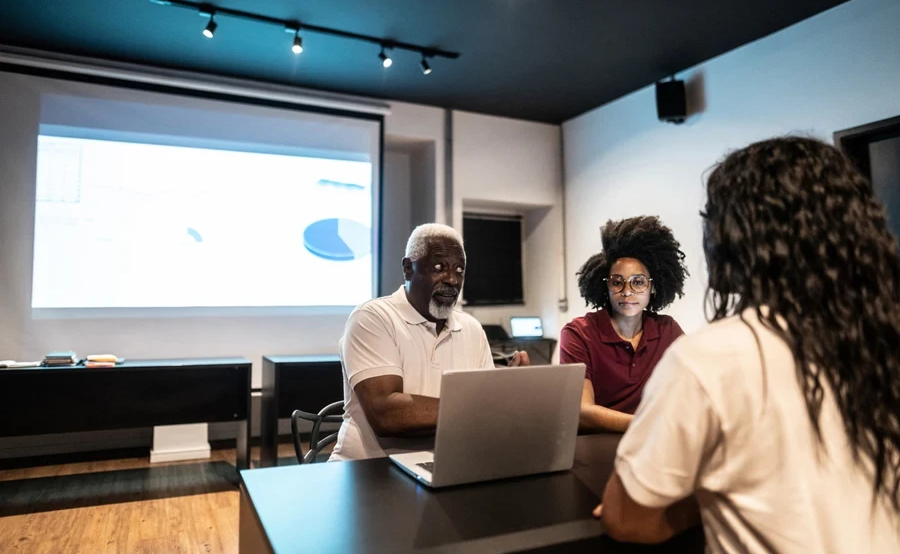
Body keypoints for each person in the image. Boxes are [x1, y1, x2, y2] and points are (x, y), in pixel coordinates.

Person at [597, 137, 900, 552]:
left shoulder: (707, 358)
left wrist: (707, 495)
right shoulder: (881, 338)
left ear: (732, 239)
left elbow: (625, 518)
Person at [329, 223, 528, 461]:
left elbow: (485, 414)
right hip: (369, 472)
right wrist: (487, 406)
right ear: (407, 269)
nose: (452, 279)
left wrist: (511, 390)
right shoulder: (373, 318)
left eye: (459, 269)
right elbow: (387, 414)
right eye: (438, 267)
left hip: (443, 466)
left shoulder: (472, 329)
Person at [560, 216, 688, 432]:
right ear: (606, 287)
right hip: (594, 447)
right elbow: (582, 412)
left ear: (653, 287)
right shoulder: (579, 334)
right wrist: (649, 424)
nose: (627, 291)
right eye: (617, 282)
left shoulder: (668, 330)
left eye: (638, 282)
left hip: (649, 447)